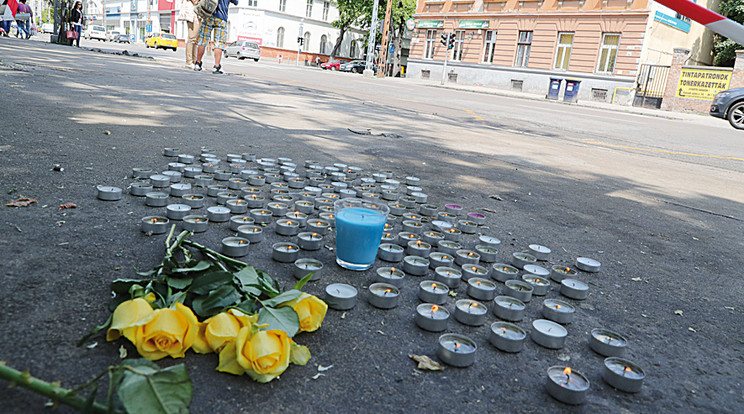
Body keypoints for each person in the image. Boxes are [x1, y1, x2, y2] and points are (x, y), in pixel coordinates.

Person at [194, 0, 238, 74]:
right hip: (221, 17)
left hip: (208, 15)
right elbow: (236, 2)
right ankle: (216, 67)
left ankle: (198, 64)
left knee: (203, 40)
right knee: (219, 42)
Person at [176, 0, 199, 69]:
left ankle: (195, 61)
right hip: (191, 12)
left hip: (199, 13)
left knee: (196, 39)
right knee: (191, 37)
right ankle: (189, 62)